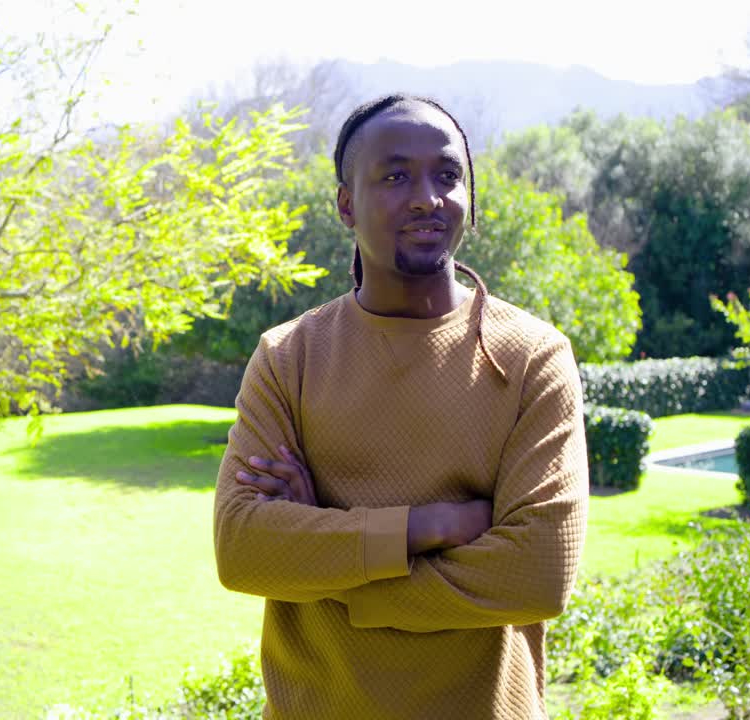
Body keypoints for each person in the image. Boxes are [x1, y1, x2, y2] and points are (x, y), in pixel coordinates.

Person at [212, 94, 590, 719]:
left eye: (447, 176)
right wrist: (431, 526)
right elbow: (243, 548)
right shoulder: (289, 358)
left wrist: (332, 566)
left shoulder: (532, 357)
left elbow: (538, 574)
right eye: (394, 176)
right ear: (344, 204)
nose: (426, 197)